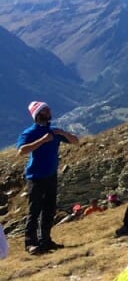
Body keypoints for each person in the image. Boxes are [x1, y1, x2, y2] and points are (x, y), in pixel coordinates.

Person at [17, 101, 79, 254]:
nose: (49, 112)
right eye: (45, 110)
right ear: (38, 115)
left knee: (49, 209)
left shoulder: (54, 131)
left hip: (51, 175)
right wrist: (42, 140)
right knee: (35, 210)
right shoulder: (29, 132)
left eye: (48, 109)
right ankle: (30, 243)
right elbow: (21, 151)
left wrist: (62, 133)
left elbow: (76, 141)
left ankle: (45, 240)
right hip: (35, 177)